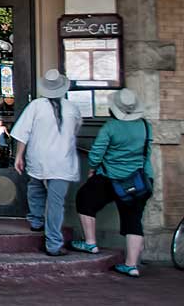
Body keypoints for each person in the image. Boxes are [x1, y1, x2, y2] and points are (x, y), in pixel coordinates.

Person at [72, 89, 153, 278]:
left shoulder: (110, 127)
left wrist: (93, 168)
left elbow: (96, 154)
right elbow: (147, 153)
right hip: (140, 180)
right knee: (134, 220)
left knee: (84, 200)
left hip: (110, 178)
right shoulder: (145, 126)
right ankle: (131, 265)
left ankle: (90, 242)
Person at [11, 69, 82, 257]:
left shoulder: (36, 106)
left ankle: (36, 220)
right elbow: (75, 130)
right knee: (56, 203)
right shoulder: (72, 108)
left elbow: (23, 132)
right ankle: (53, 243)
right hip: (62, 161)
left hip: (39, 157)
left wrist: (19, 155)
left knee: (35, 187)